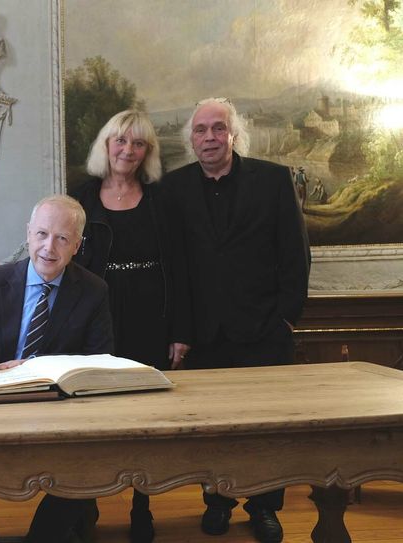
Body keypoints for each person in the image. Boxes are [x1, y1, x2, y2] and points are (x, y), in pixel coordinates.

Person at [162, 97, 310, 543]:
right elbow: (176, 267)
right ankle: (219, 503)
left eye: (218, 128)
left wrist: (286, 318)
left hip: (265, 329)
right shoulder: (173, 188)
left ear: (233, 134)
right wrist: (180, 332)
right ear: (192, 139)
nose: (210, 137)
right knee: (214, 429)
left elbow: (295, 254)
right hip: (206, 335)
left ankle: (265, 509)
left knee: (269, 429)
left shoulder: (273, 180)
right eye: (201, 130)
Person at [0, 194, 114, 543]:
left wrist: (41, 367)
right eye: (42, 234)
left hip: (58, 413)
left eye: (62, 238)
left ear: (77, 245)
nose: (49, 247)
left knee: (88, 459)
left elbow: (101, 363)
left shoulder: (93, 291)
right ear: (28, 234)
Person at [69, 109, 191, 543]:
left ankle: (143, 505)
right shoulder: (80, 196)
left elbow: (181, 268)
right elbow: (65, 266)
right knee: (90, 414)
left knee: (144, 415)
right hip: (95, 318)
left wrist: (180, 331)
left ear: (147, 152)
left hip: (149, 317)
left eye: (138, 143)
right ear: (106, 145)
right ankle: (85, 506)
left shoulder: (162, 199)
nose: (128, 150)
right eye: (120, 140)